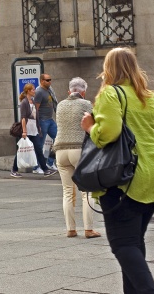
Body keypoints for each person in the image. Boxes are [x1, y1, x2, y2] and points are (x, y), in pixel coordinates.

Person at [80, 47, 154, 294]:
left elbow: (109, 132)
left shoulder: (110, 94)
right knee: (134, 242)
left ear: (108, 68)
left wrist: (90, 128)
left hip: (126, 180)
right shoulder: (151, 97)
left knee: (123, 244)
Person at [53, 77, 100, 239]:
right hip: (79, 150)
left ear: (69, 91)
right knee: (87, 191)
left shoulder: (60, 105)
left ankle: (71, 229)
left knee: (67, 191)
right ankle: (88, 229)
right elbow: (92, 125)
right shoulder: (86, 104)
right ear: (84, 92)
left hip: (60, 151)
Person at [10, 83, 56, 178]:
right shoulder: (24, 102)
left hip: (34, 129)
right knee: (20, 150)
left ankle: (45, 170)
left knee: (38, 149)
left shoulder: (33, 102)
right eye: (33, 90)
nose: (34, 91)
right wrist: (24, 131)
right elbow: (23, 118)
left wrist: (38, 127)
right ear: (28, 91)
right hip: (27, 129)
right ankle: (14, 170)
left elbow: (36, 116)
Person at [34, 73, 58, 173]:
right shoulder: (39, 92)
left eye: (50, 79)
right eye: (47, 80)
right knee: (40, 144)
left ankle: (50, 162)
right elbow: (36, 108)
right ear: (41, 81)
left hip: (50, 119)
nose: (49, 82)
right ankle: (36, 167)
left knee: (59, 139)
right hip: (42, 121)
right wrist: (37, 123)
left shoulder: (49, 90)